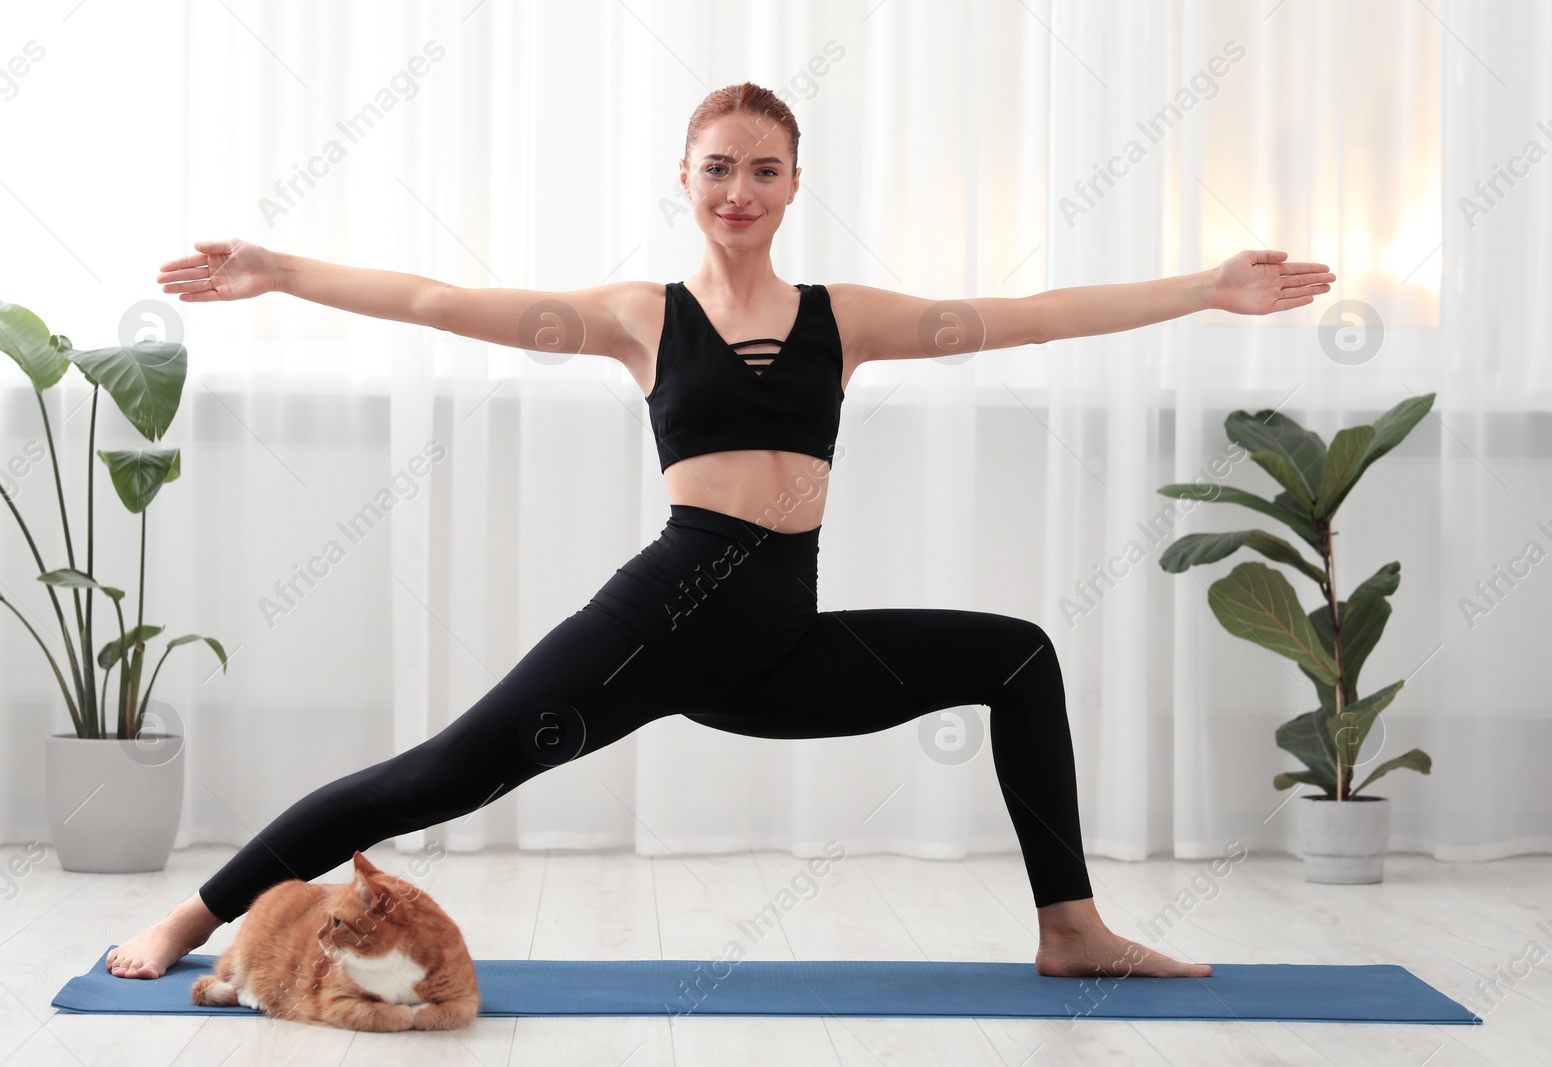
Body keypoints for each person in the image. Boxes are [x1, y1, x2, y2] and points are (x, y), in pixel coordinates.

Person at [107, 81, 1332, 983]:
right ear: (683, 183)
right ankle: (189, 917)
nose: (738, 190)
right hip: (660, 619)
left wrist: (1206, 289)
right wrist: (280, 267)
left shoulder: (843, 319)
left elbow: (1031, 317)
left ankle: (1069, 928)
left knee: (1014, 654)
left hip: (776, 639)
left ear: (794, 186)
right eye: (716, 168)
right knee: (437, 775)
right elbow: (438, 302)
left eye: (762, 168)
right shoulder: (641, 317)